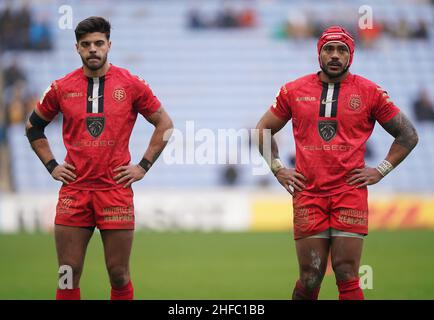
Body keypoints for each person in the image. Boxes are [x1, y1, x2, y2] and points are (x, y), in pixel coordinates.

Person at [255, 26, 418, 300]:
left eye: (342, 50)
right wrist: (278, 169)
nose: (334, 55)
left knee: (346, 273)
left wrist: (381, 170)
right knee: (310, 277)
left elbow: (408, 135)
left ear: (351, 55)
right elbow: (262, 129)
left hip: (349, 193)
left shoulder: (370, 92)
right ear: (319, 53)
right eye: (328, 49)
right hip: (308, 193)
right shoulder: (293, 90)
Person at [25, 17, 173, 300]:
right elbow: (33, 127)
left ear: (109, 45)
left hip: (115, 191)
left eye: (98, 43)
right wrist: (52, 166)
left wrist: (142, 166)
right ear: (77, 49)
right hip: (75, 191)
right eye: (86, 45)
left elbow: (165, 124)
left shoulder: (131, 84)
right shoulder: (61, 87)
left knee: (119, 274)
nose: (93, 49)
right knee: (67, 272)